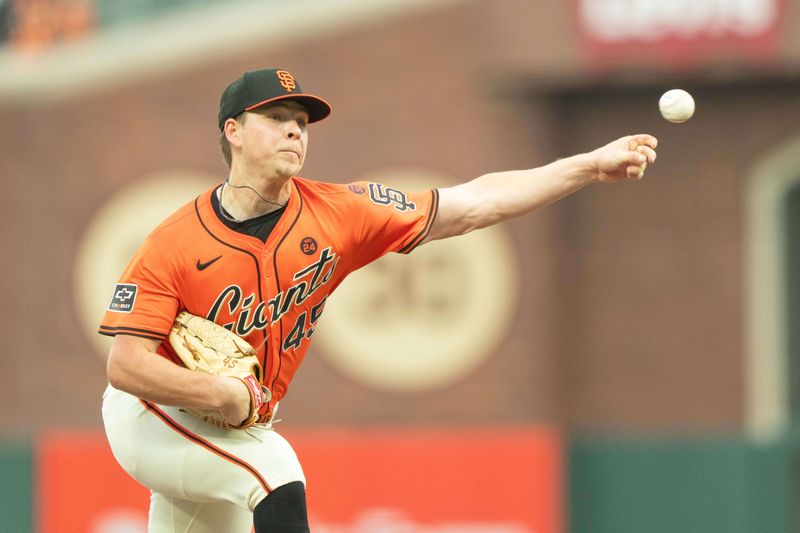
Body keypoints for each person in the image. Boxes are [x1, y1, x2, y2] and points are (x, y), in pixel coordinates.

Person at [100, 67, 658, 532]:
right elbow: (126, 365)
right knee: (275, 473)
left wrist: (585, 165)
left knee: (248, 476)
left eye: (301, 123)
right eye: (275, 118)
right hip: (153, 414)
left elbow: (472, 204)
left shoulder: (339, 214)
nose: (295, 132)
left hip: (231, 426)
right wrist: (219, 392)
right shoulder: (173, 241)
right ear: (234, 131)